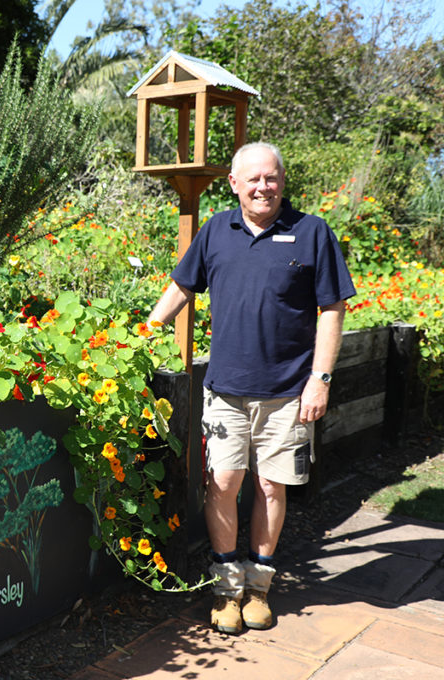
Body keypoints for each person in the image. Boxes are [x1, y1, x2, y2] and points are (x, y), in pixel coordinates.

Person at [147, 142, 355, 634]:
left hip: (287, 392)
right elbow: (182, 285)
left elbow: (332, 310)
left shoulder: (312, 233)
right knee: (222, 483)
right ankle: (226, 588)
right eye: (253, 179)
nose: (264, 187)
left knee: (270, 485)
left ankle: (258, 587)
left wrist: (320, 380)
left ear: (283, 180)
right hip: (226, 390)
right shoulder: (217, 229)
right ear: (234, 184)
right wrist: (142, 332)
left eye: (272, 177)